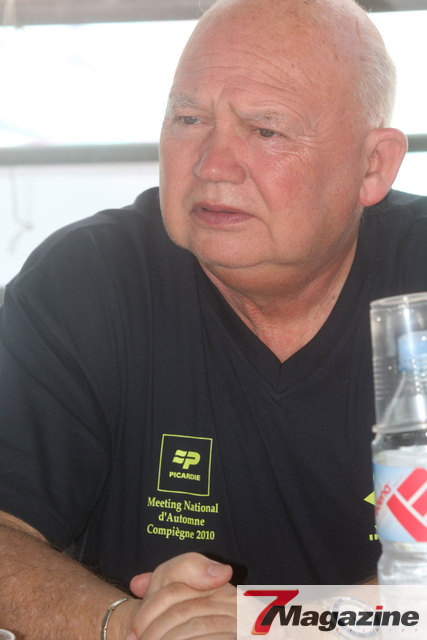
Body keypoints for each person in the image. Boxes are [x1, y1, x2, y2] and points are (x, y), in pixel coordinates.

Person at [0, 0, 422, 637]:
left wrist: (276, 626)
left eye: (267, 130)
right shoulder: (87, 280)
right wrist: (129, 626)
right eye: (189, 119)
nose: (212, 165)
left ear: (373, 166)